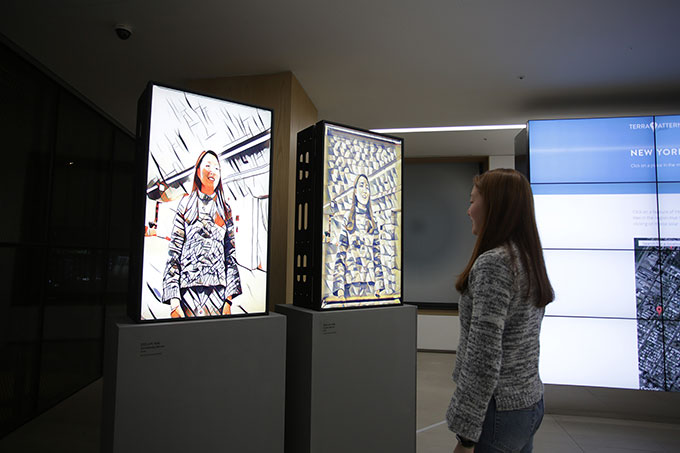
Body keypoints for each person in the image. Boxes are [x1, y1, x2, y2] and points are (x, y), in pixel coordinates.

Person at [446, 169, 554, 453]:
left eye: (472, 201)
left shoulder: (494, 263)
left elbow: (484, 357)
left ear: (494, 206)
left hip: (497, 413)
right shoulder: (525, 258)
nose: (468, 211)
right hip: (528, 403)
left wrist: (466, 437)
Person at [162, 150, 242, 317]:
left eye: (217, 168)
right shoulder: (186, 204)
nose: (212, 170)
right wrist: (174, 300)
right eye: (207, 165)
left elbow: (230, 255)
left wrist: (228, 301)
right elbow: (174, 251)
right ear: (198, 171)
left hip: (218, 293)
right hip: (187, 291)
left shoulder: (225, 209)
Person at [332, 174, 385, 299]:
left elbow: (377, 256)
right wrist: (339, 288)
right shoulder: (348, 218)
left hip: (370, 284)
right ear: (355, 191)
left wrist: (379, 285)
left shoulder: (373, 221)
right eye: (361, 185)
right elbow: (341, 254)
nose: (365, 190)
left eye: (367, 187)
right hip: (350, 284)